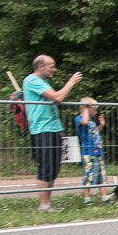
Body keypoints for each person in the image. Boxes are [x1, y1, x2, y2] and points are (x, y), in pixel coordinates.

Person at [23, 55, 82, 211]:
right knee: (46, 167)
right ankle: (43, 204)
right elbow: (58, 97)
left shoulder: (44, 82)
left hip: (53, 129)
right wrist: (71, 82)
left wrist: (60, 129)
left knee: (54, 168)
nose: (54, 69)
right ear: (40, 66)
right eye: (52, 66)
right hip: (42, 129)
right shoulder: (32, 80)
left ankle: (48, 203)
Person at [74, 97, 113, 205]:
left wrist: (101, 125)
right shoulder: (79, 119)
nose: (95, 112)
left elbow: (94, 132)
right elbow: (84, 121)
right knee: (89, 175)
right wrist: (86, 107)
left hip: (98, 151)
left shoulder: (91, 121)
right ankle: (87, 199)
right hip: (88, 153)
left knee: (102, 175)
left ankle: (104, 197)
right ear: (86, 109)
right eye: (94, 110)